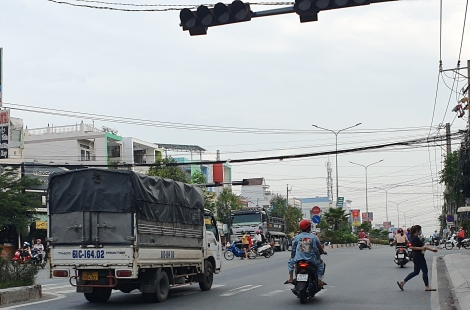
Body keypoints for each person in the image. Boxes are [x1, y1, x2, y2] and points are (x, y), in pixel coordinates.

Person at [285, 219, 327, 288]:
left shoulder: (297, 237)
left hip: (298, 259)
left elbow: (293, 249)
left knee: (290, 262)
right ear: (309, 227)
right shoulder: (314, 237)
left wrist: (293, 256)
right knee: (321, 265)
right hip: (311, 259)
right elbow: (318, 249)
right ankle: (319, 280)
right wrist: (319, 256)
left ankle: (291, 278)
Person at [397, 225, 438, 292]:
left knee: (416, 272)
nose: (420, 231)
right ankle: (427, 287)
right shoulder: (415, 238)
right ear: (417, 231)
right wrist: (421, 248)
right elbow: (412, 247)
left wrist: (432, 250)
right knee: (425, 271)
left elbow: (424, 246)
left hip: (416, 256)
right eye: (420, 230)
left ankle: (403, 282)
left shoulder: (415, 237)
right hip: (419, 257)